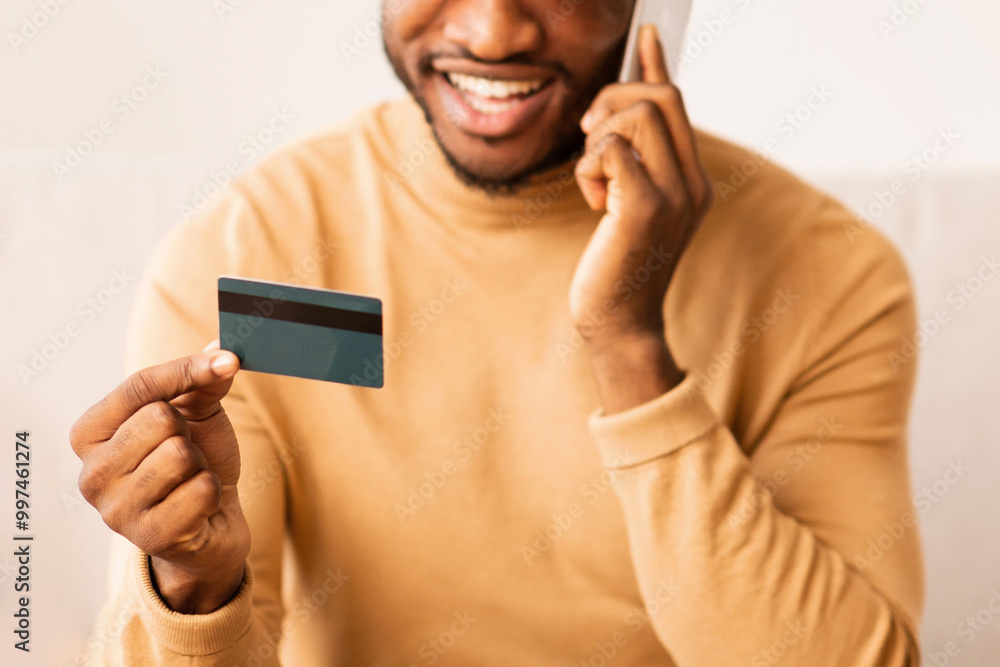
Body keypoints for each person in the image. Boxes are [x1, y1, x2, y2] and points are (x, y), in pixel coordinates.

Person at [69, 1, 924, 665]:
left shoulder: (829, 273)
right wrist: (193, 585)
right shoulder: (247, 251)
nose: (491, 30)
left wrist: (630, 345)